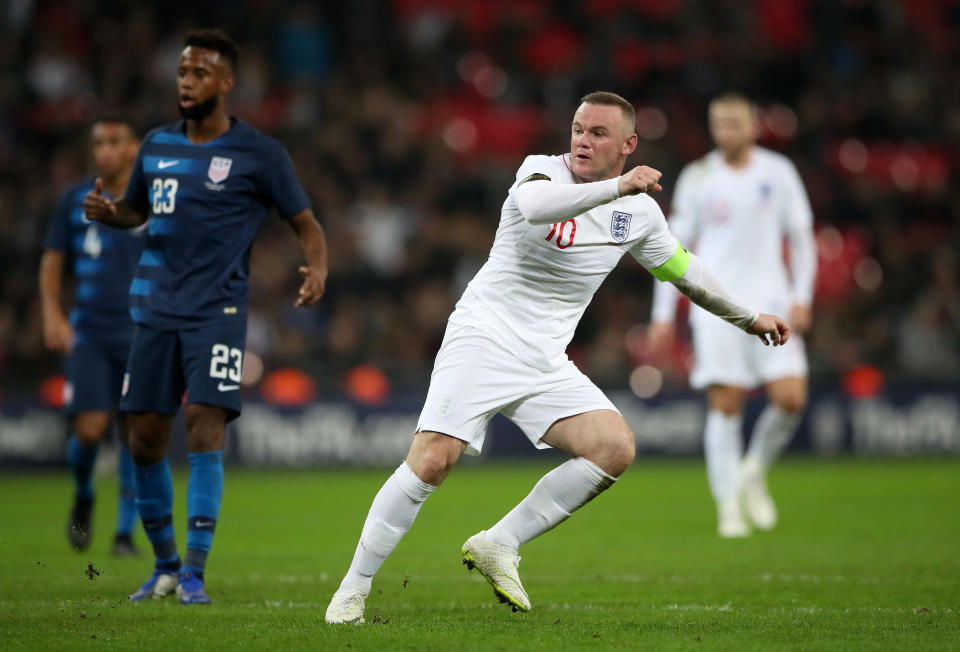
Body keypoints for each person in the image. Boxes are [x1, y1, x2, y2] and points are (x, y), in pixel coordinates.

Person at [325, 91, 791, 624]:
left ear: (628, 143)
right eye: (577, 128)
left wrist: (750, 317)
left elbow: (687, 272)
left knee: (612, 447)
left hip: (544, 358)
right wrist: (618, 185)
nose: (582, 141)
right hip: (484, 334)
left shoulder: (639, 214)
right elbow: (535, 209)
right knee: (433, 458)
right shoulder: (541, 172)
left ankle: (499, 542)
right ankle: (352, 590)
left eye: (598, 133)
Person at [83, 29, 328, 605]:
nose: (186, 83)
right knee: (143, 439)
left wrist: (316, 269)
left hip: (216, 312)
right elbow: (136, 212)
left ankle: (194, 571)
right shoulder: (156, 144)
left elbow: (307, 224)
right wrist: (109, 212)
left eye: (198, 74)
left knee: (205, 429)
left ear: (226, 83)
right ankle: (164, 566)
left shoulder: (260, 154)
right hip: (153, 308)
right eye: (182, 73)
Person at [647, 92, 816, 538]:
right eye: (719, 123)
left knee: (791, 398)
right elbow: (668, 249)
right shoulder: (699, 177)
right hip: (717, 307)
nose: (726, 131)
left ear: (753, 126)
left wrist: (802, 297)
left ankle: (754, 469)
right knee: (725, 405)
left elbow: (801, 238)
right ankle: (729, 508)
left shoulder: (778, 173)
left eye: (735, 123)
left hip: (775, 304)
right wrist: (663, 314)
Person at [40, 116, 144, 557]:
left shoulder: (153, 200)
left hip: (142, 330)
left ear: (134, 147)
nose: (105, 149)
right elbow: (52, 259)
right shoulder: (73, 199)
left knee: (135, 433)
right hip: (90, 332)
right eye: (98, 141)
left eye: (115, 141)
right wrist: (52, 314)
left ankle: (124, 534)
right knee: (89, 429)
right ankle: (84, 492)